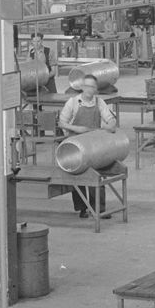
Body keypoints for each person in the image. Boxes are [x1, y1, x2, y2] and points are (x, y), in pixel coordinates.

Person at [57, 73, 120, 215]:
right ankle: (82, 208)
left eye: (92, 86)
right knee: (78, 177)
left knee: (96, 176)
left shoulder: (100, 103)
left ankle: (98, 209)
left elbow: (110, 119)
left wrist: (111, 124)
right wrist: (77, 129)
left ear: (96, 89)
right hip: (75, 146)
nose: (89, 89)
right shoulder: (73, 102)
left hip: (93, 146)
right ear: (82, 87)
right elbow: (62, 122)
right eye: (86, 86)